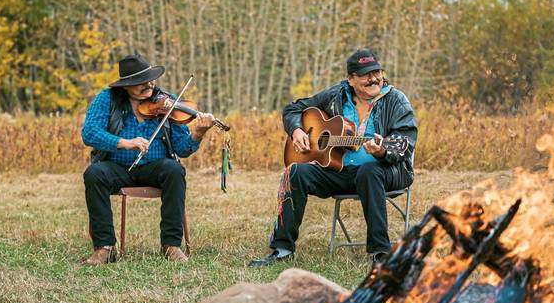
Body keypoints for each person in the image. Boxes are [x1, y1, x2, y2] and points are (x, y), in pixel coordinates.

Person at [248, 49, 417, 267]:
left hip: (385, 171)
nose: (373, 78)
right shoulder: (338, 94)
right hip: (339, 172)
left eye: (377, 72)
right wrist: (297, 131)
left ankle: (381, 254)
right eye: (366, 74)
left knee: (369, 171)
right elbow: (293, 108)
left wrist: (382, 151)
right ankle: (282, 248)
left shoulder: (396, 100)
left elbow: (405, 142)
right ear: (351, 79)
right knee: (295, 172)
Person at [81, 53, 215, 265]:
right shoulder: (107, 99)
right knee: (94, 174)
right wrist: (124, 142)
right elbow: (89, 133)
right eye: (140, 83)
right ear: (126, 85)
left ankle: (171, 245)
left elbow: (182, 148)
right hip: (117, 167)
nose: (148, 85)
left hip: (154, 167)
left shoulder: (167, 102)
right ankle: (104, 247)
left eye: (150, 79)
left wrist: (198, 133)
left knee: (174, 170)